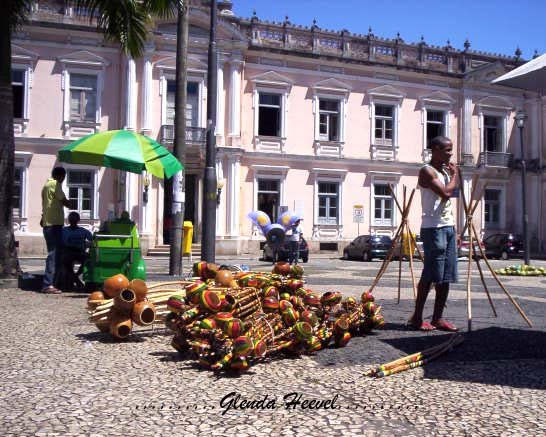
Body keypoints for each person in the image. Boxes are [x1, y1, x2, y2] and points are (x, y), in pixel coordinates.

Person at [408, 136, 459, 332]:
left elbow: (454, 192)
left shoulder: (444, 172)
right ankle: (417, 318)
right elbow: (446, 194)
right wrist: (455, 176)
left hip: (448, 226)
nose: (450, 154)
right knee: (430, 273)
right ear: (435, 149)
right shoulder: (426, 171)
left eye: (451, 150)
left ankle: (438, 318)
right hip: (433, 228)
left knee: (445, 276)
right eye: (447, 150)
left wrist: (452, 178)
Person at [40, 167, 70, 294]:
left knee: (57, 254)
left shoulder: (46, 185)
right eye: (63, 177)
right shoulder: (55, 184)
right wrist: (71, 205)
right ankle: (48, 284)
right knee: (53, 255)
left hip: (49, 224)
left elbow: (47, 205)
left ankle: (55, 282)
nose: (63, 180)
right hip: (54, 225)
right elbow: (63, 201)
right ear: (61, 176)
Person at [60, 211, 93, 291]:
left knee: (87, 260)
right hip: (75, 253)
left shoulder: (65, 230)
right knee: (85, 261)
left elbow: (92, 240)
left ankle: (75, 278)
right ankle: (76, 278)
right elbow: (92, 240)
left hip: (74, 253)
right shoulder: (82, 231)